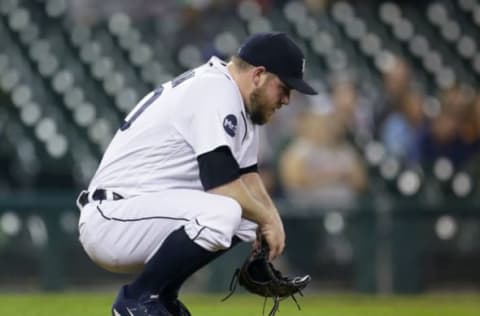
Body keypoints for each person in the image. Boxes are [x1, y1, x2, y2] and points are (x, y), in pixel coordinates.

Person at [76, 32, 317, 316]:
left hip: (143, 213)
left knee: (246, 217)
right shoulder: (216, 90)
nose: (287, 99)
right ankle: (137, 299)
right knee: (225, 211)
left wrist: (269, 218)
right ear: (259, 75)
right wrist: (268, 218)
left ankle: (163, 298)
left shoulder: (239, 103)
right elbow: (221, 183)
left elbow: (248, 177)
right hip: (113, 217)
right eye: (284, 87)